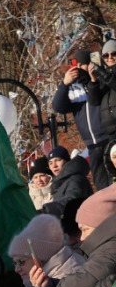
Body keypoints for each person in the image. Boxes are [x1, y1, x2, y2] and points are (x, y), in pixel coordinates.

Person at [53, 47, 110, 191]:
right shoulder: (73, 88)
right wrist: (64, 84)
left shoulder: (101, 79)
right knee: (102, 184)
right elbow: (59, 107)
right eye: (75, 65)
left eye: (81, 65)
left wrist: (91, 80)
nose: (78, 69)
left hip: (108, 138)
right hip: (91, 144)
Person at [85, 37, 116, 191]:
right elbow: (94, 101)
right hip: (109, 131)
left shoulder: (108, 75)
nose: (110, 58)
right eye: (106, 55)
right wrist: (93, 80)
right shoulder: (103, 76)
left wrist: (103, 73)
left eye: (113, 54)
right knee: (111, 169)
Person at [48, 146, 92, 213]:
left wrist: (47, 209)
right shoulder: (59, 182)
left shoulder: (76, 179)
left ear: (67, 161)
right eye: (50, 163)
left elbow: (72, 201)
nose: (54, 165)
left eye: (58, 160)